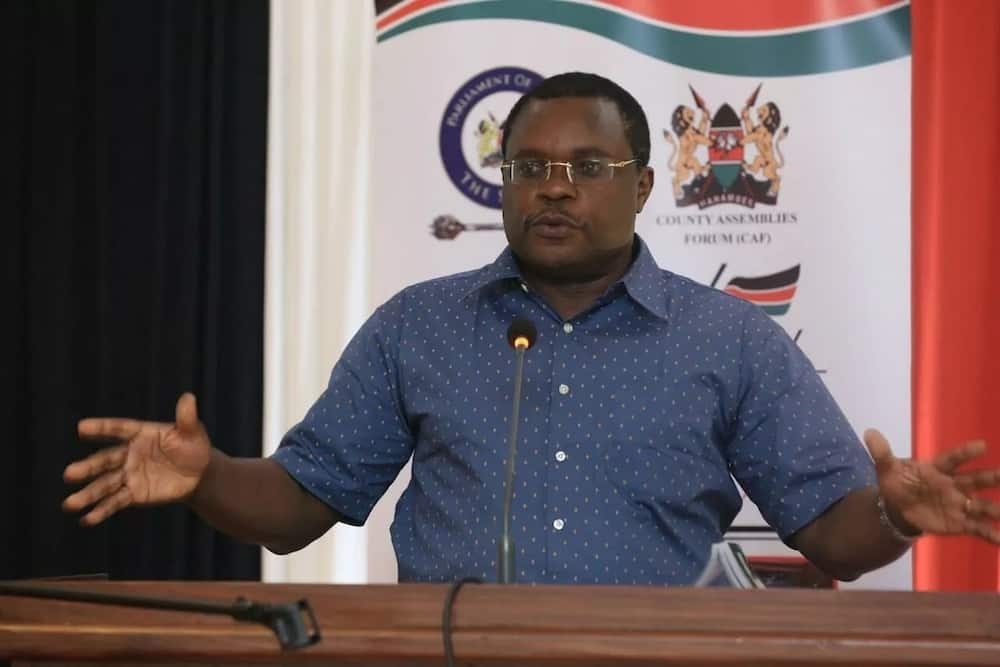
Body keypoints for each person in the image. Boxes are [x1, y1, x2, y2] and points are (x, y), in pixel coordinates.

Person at [63, 72, 1000, 585]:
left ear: (641, 185)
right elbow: (300, 506)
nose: (553, 186)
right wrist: (208, 474)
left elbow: (834, 539)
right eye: (528, 166)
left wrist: (892, 516)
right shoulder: (418, 327)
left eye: (587, 164)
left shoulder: (728, 339)